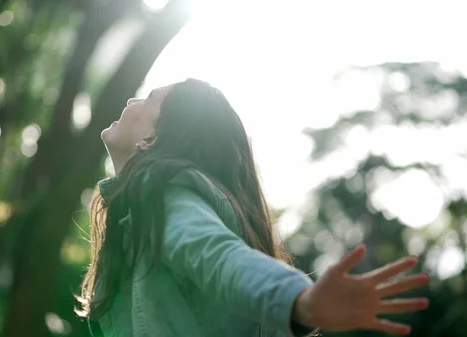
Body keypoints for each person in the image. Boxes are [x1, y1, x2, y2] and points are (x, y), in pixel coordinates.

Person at [77, 78, 429, 337]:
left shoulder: (167, 197)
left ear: (151, 138)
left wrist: (298, 301)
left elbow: (219, 257)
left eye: (149, 98)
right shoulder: (138, 219)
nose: (130, 98)